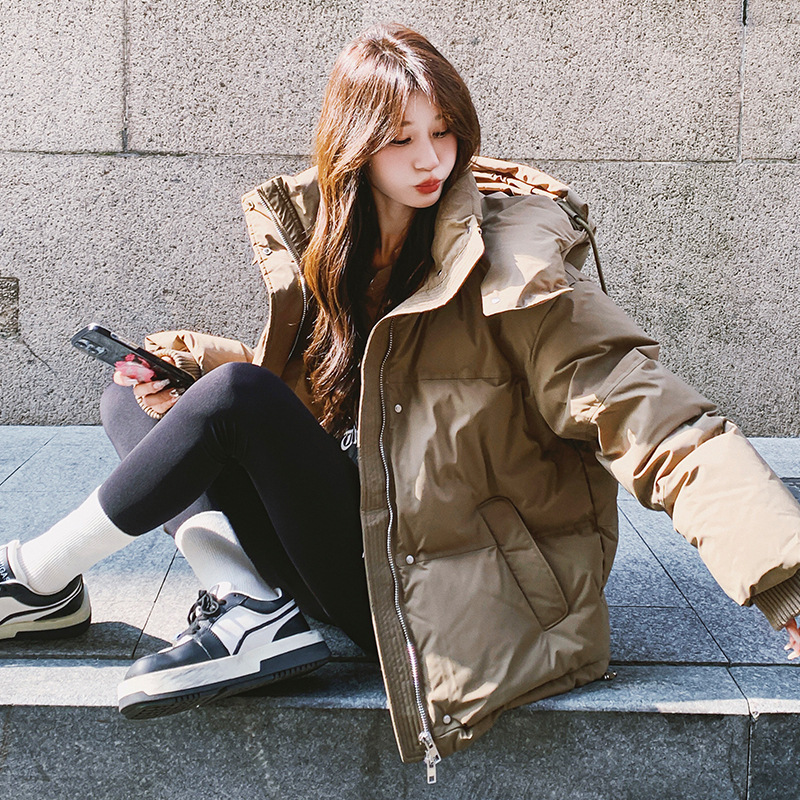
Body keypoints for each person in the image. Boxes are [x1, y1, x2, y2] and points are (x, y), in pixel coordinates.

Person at [1, 23, 800, 781]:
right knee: (138, 403)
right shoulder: (335, 248)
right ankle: (248, 602)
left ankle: (34, 579)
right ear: (353, 145)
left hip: (448, 589)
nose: (430, 158)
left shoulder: (517, 267)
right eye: (400, 138)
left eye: (443, 131)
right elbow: (315, 397)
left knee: (231, 398)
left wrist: (786, 579)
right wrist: (185, 370)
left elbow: (651, 413)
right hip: (361, 535)